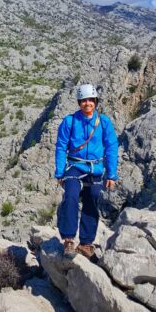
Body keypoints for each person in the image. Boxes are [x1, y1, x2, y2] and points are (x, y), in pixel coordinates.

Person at [54, 84, 118, 260]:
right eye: (84, 100)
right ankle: (68, 240)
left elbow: (112, 147)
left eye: (91, 100)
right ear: (79, 102)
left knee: (93, 200)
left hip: (96, 168)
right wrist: (60, 172)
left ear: (95, 101)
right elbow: (61, 147)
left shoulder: (104, 122)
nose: (87, 103)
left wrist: (112, 174)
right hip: (74, 166)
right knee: (72, 196)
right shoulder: (70, 121)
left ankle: (86, 243)